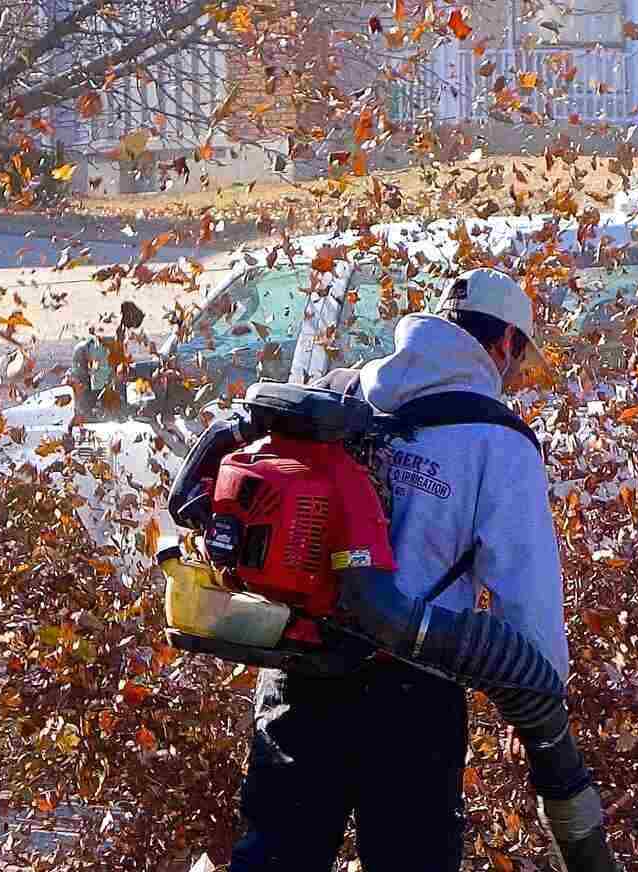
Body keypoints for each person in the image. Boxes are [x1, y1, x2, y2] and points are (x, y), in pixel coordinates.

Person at [230, 268, 576, 871]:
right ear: (505, 346)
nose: (516, 380)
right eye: (519, 364)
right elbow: (531, 604)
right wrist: (545, 711)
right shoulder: (499, 442)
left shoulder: (340, 395)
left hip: (300, 671)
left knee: (274, 857)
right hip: (412, 696)